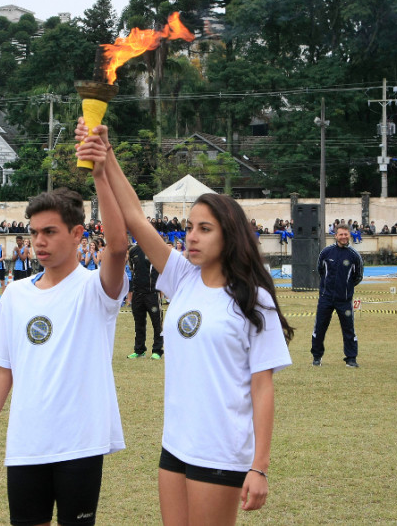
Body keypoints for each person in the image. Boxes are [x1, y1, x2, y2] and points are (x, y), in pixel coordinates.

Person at [75, 119, 292, 525]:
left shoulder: (253, 300)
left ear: (229, 236)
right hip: (175, 445)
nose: (191, 237)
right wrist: (107, 155)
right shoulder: (182, 277)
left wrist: (259, 467)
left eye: (205, 229)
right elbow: (136, 219)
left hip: (221, 449)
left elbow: (263, 389)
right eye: (189, 227)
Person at [0, 182, 128, 526]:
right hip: (27, 442)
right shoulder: (16, 295)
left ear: (76, 233)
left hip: (79, 444)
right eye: (34, 232)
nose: (39, 241)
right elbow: (2, 370)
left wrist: (100, 171)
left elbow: (117, 248)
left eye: (50, 231)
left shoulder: (96, 289)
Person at [310, 223, 364, 367]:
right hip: (325, 298)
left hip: (344, 300)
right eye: (341, 234)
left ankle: (351, 359)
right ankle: (316, 357)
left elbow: (358, 276)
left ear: (349, 235)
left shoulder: (354, 256)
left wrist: (346, 288)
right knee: (320, 328)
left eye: (346, 234)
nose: (343, 237)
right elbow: (320, 270)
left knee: (348, 329)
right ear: (335, 236)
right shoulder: (326, 253)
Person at [126, 242, 164, 360]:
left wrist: (159, 289)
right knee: (139, 323)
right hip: (138, 293)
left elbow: (160, 270)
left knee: (157, 324)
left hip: (152, 293)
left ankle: (157, 350)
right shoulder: (133, 251)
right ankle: (139, 350)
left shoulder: (155, 249)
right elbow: (133, 269)